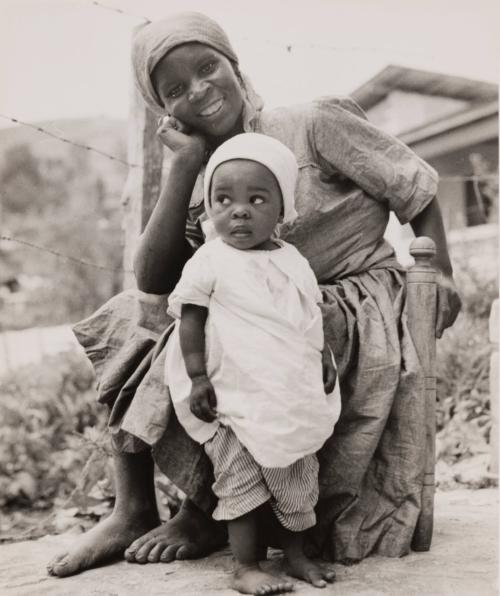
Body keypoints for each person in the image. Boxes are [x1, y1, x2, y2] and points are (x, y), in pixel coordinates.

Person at [47, 11, 461, 580]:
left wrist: (440, 270)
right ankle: (134, 509)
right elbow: (152, 278)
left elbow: (415, 189)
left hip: (340, 304)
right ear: (165, 110)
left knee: (241, 340)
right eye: (176, 89)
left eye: (207, 67)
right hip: (255, 307)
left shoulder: (313, 124)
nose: (199, 89)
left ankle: (206, 510)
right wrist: (184, 165)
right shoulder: (201, 178)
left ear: (235, 66)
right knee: (133, 317)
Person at [165, 132, 341, 592]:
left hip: (284, 390)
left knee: (297, 472)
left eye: (256, 199)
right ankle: (245, 565)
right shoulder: (210, 259)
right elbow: (190, 319)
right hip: (231, 391)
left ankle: (297, 555)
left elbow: (308, 314)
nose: (237, 210)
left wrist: (321, 356)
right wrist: (198, 375)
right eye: (223, 199)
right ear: (209, 207)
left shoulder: (293, 260)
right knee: (240, 479)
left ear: (282, 210)